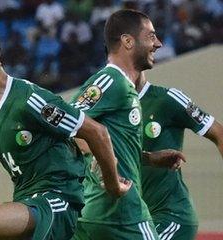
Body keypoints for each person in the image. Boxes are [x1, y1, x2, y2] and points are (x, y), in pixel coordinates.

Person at [0, 25, 132, 240]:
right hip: (26, 205)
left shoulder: (29, 99)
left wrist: (112, 185)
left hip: (56, 203)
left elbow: (97, 132)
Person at [69, 10, 183, 240]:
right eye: (151, 36)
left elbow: (101, 140)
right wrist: (104, 166)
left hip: (95, 215)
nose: (158, 44)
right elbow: (66, 124)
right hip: (123, 214)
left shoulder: (123, 87)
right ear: (128, 41)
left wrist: (148, 158)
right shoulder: (112, 81)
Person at [137, 72, 223, 240]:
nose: (155, 44)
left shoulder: (167, 99)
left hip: (170, 215)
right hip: (130, 217)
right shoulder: (109, 101)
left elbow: (219, 133)